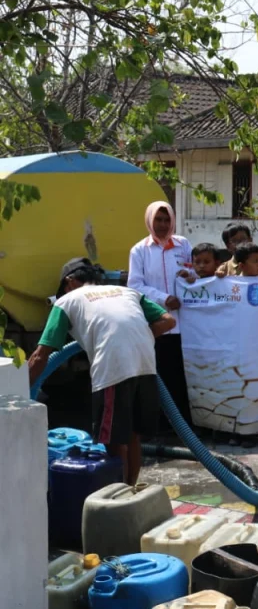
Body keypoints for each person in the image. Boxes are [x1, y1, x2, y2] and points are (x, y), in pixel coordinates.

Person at [28, 259, 176, 485]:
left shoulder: (67, 300)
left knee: (113, 440)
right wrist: (134, 337)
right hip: (146, 365)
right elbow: (168, 321)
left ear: (69, 281)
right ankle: (130, 488)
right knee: (132, 435)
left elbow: (41, 356)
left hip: (112, 369)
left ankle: (117, 494)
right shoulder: (127, 292)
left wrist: (19, 390)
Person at [127, 201, 192, 426]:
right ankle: (161, 426)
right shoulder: (139, 250)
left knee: (181, 375)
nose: (163, 225)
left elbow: (195, 273)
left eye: (167, 220)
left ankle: (184, 426)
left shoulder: (183, 245)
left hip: (184, 324)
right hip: (157, 324)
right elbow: (135, 285)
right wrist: (164, 299)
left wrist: (190, 277)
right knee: (159, 375)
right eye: (158, 219)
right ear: (149, 220)